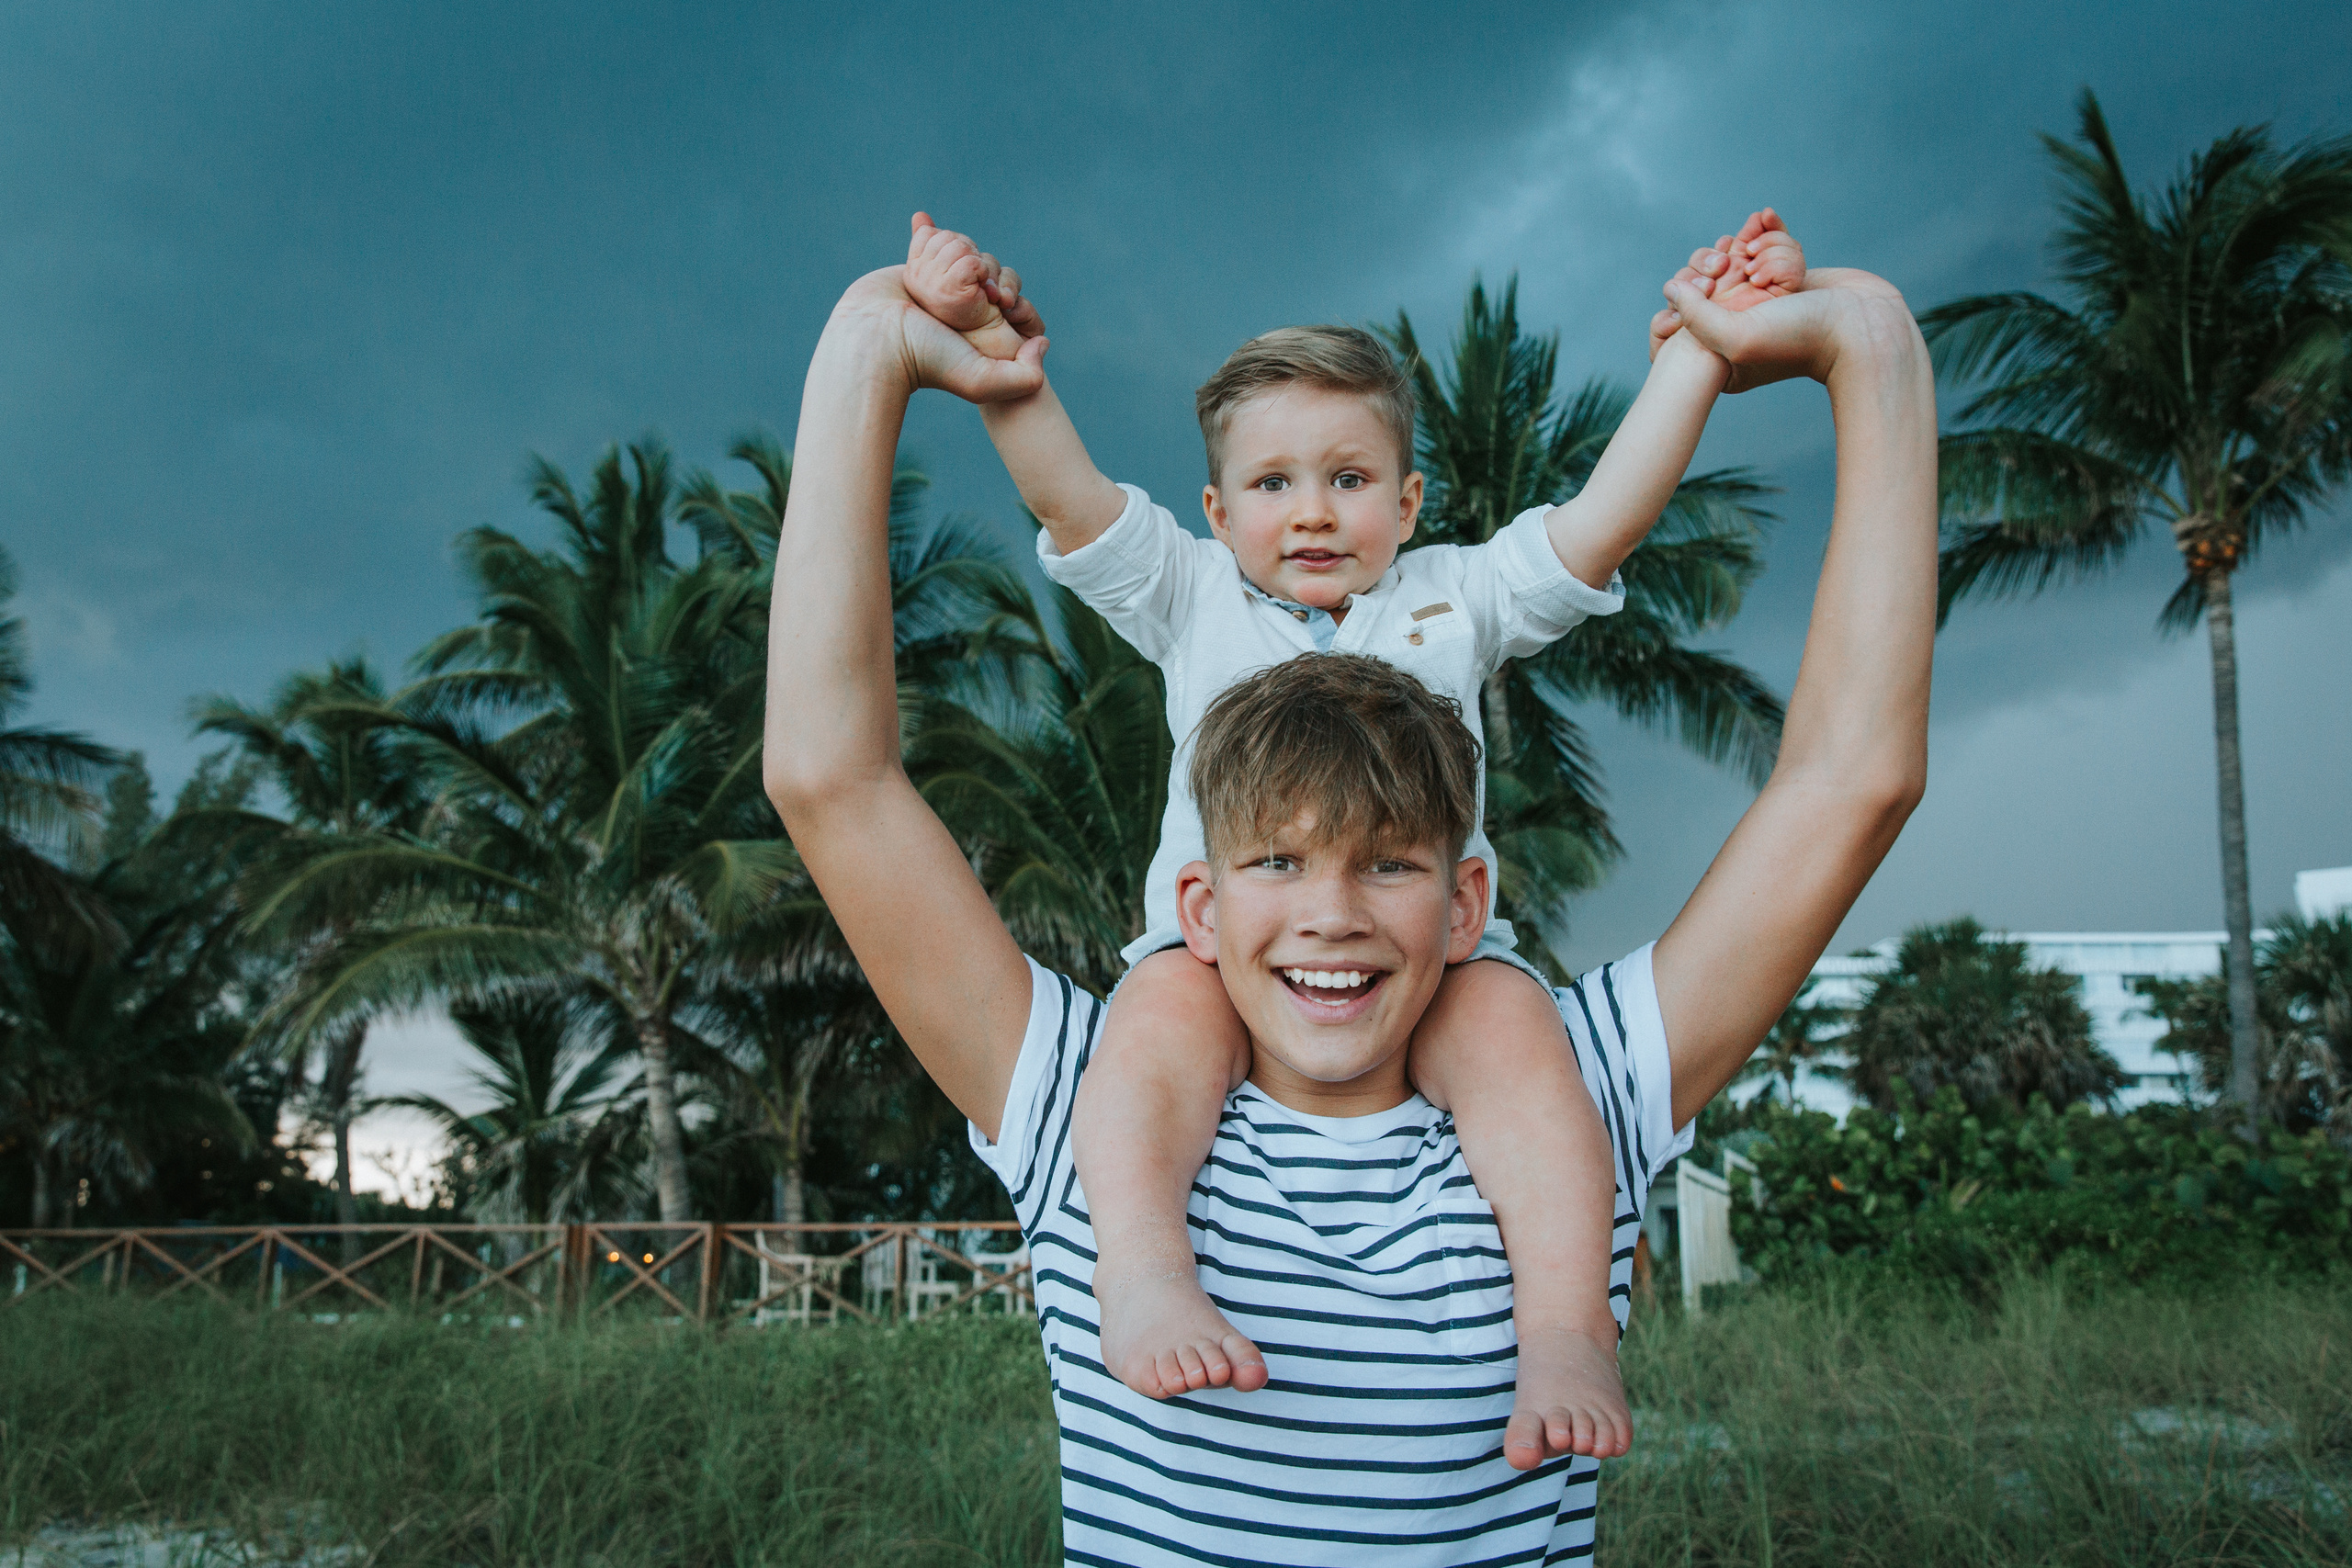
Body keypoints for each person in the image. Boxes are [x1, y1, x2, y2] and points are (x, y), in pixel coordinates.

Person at [762, 230, 1935, 1563]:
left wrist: (1870, 343)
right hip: (1162, 1066)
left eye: (1388, 858)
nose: (1331, 911)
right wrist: (875, 337)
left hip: (1496, 1048)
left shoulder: (1565, 1087)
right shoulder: (1090, 1103)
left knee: (1502, 1028)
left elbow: (1853, 780)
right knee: (1160, 1019)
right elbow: (829, 779)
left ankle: (1574, 1331)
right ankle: (1143, 1276)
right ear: (1201, 903)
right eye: (1276, 860)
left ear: (1464, 896)